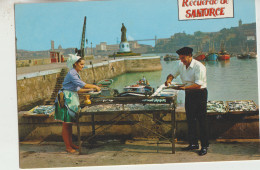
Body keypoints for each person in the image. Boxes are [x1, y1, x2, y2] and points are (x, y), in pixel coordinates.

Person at [165, 47, 209, 156]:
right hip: (189, 93)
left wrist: (183, 88)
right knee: (190, 119)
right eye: (180, 58)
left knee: (201, 120)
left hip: (200, 93)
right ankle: (193, 144)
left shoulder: (199, 67)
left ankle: (204, 146)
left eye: (183, 58)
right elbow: (172, 74)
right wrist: (169, 80)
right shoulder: (180, 65)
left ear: (190, 56)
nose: (181, 60)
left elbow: (198, 84)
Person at [55, 54, 101, 153]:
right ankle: (68, 147)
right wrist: (94, 86)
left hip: (71, 98)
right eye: (81, 64)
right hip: (66, 100)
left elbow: (78, 89)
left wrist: (91, 89)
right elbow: (82, 85)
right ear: (75, 64)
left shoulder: (75, 73)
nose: (82, 66)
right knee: (66, 124)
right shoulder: (72, 74)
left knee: (69, 124)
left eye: (83, 64)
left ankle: (70, 144)